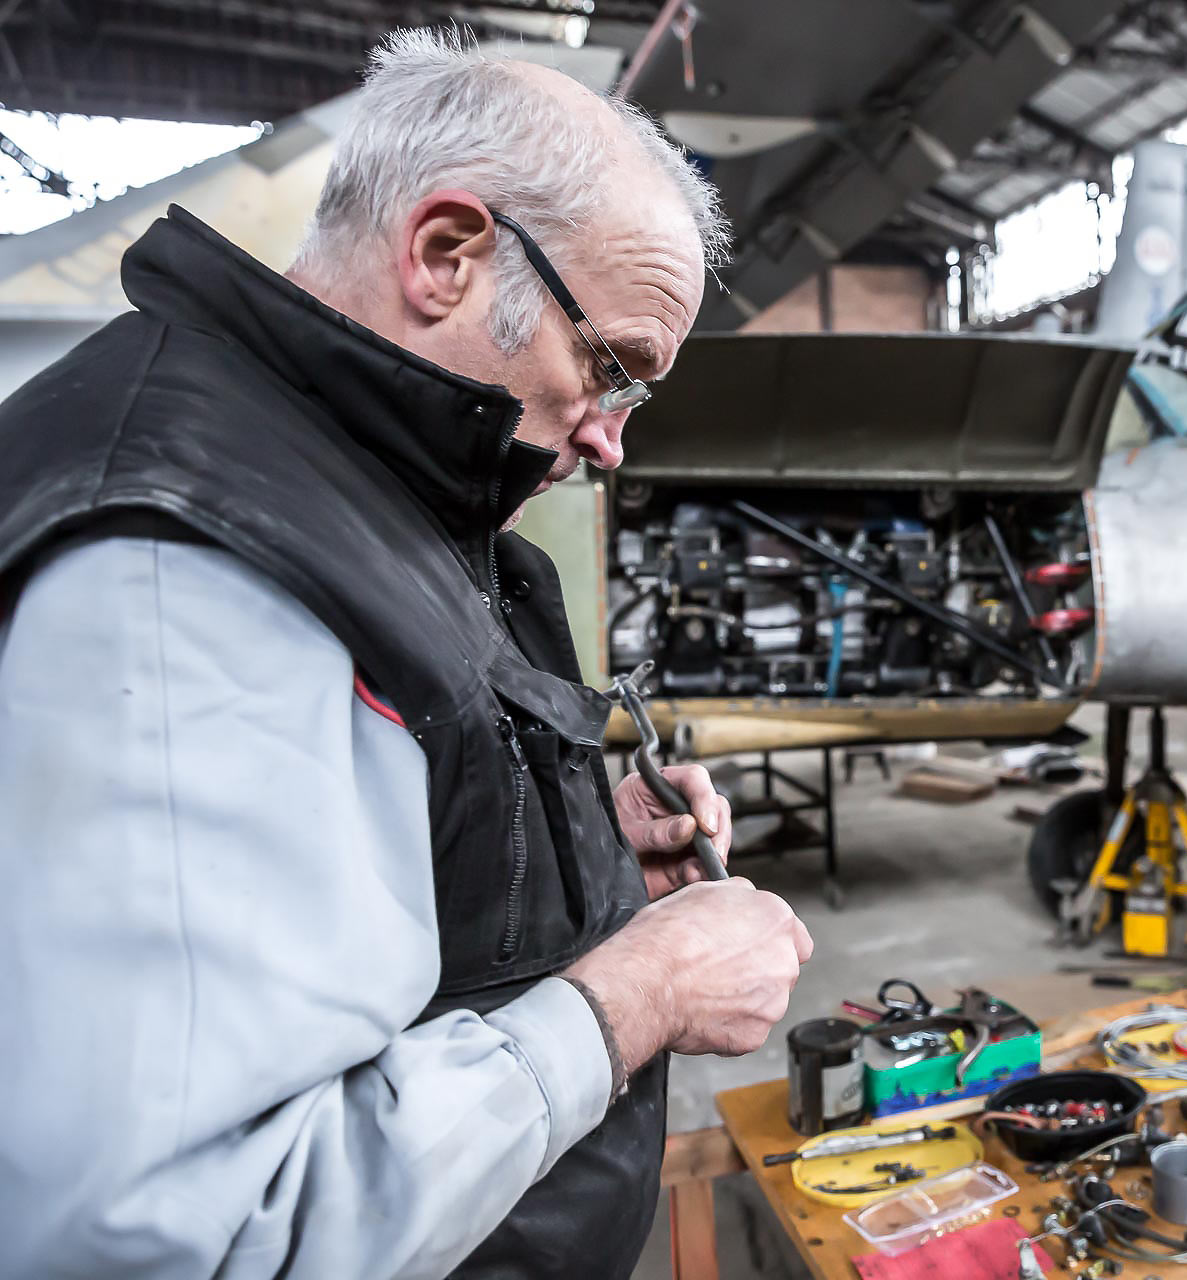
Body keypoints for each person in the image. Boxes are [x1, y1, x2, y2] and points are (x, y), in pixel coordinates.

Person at [0, 28, 813, 1279]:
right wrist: (635, 994)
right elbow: (192, 1239)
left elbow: (355, 855)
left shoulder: (337, 476)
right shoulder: (187, 553)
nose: (608, 440)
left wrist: (579, 855)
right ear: (447, 253)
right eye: (610, 368)